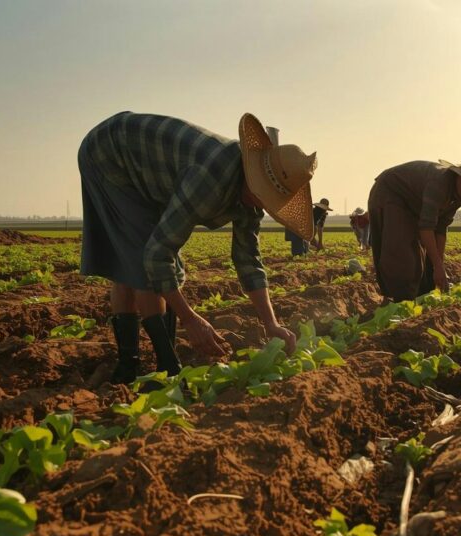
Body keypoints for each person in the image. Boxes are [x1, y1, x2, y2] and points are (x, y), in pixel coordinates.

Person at [78, 111, 315, 384]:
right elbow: (157, 254)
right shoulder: (210, 179)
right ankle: (154, 366)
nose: (265, 204)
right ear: (252, 176)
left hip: (149, 173)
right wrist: (191, 319)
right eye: (264, 195)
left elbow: (248, 259)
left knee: (144, 264)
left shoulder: (252, 198)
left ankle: (154, 365)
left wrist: (270, 323)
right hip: (111, 153)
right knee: (138, 263)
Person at [369, 156, 461, 301]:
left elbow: (440, 229)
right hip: (390, 193)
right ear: (458, 176)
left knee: (427, 259)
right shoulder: (439, 184)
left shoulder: (460, 195)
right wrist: (438, 267)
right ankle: (401, 301)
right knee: (404, 254)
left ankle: (423, 296)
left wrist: (439, 265)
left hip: (412, 204)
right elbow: (427, 227)